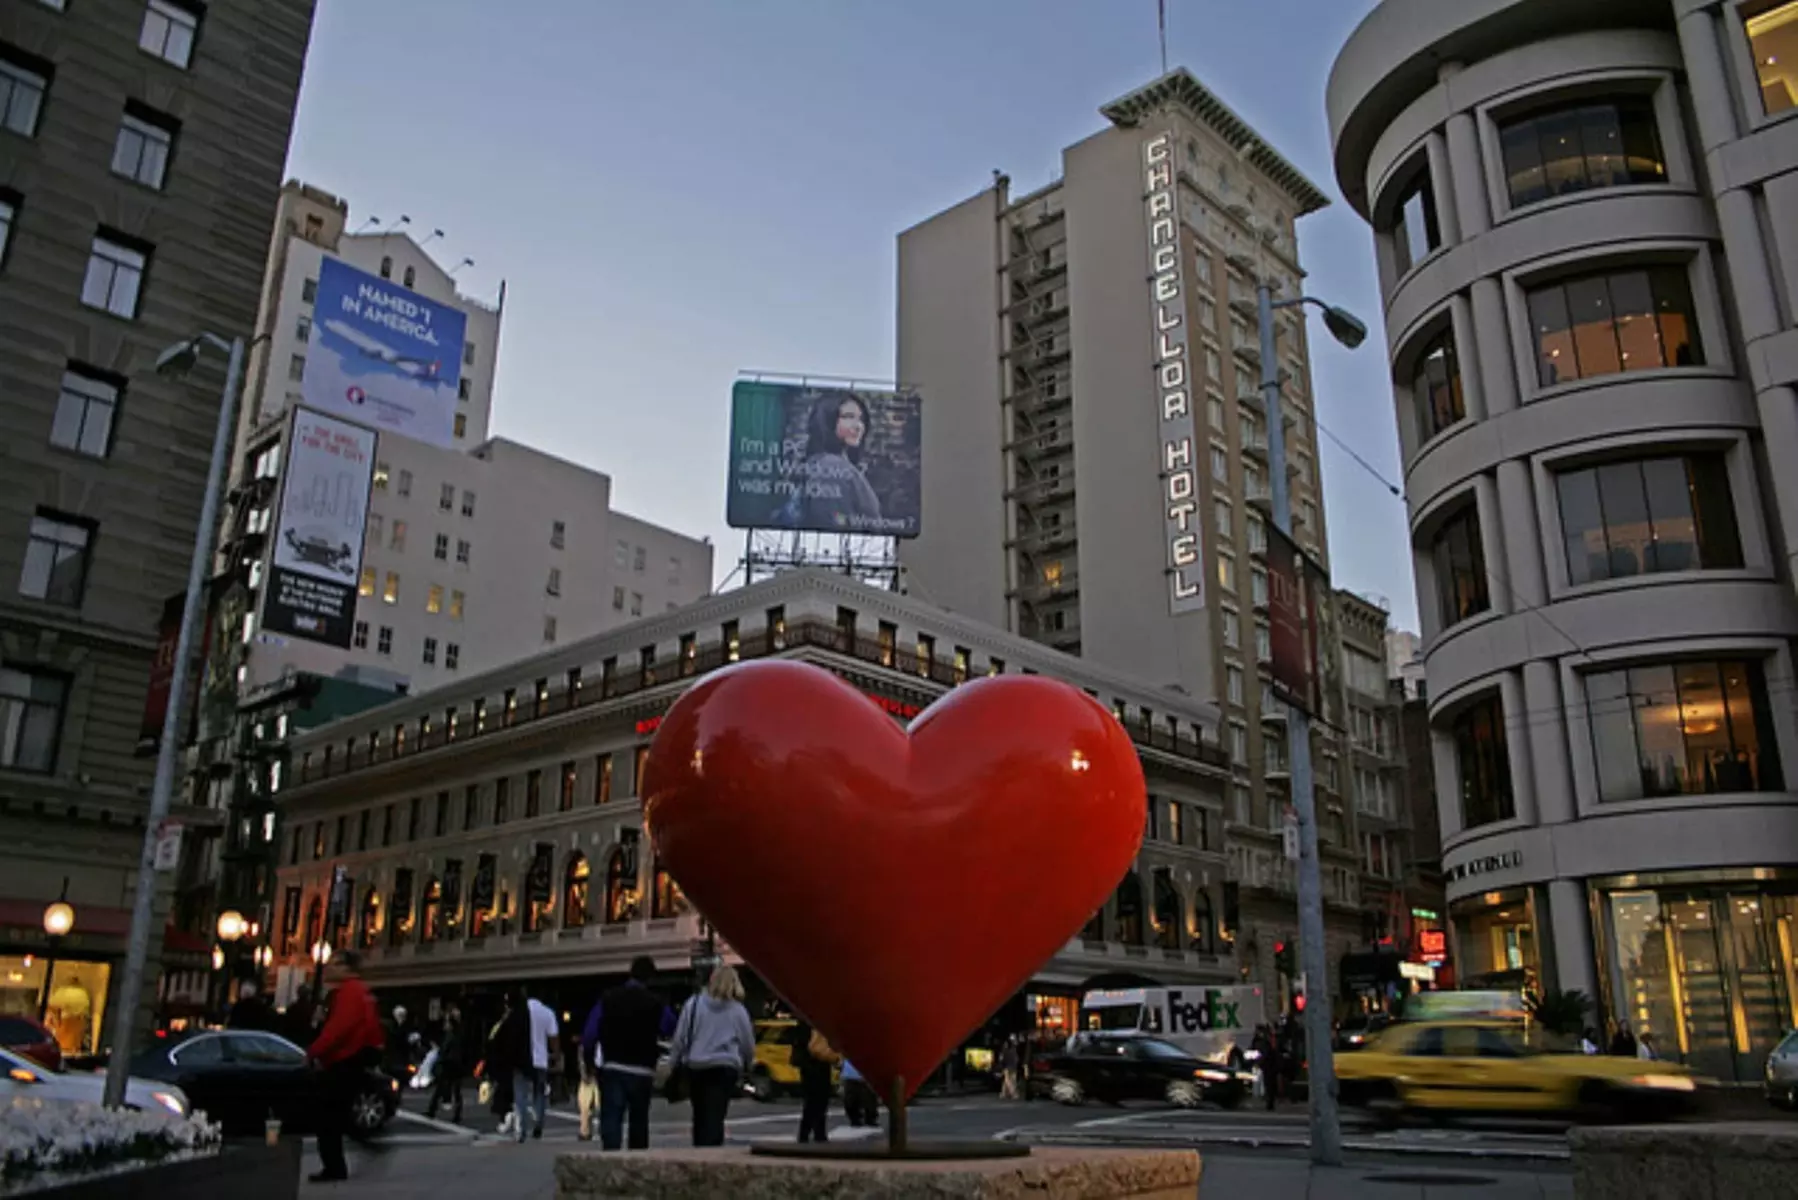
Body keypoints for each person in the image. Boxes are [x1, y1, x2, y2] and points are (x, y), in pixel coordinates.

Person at [306, 950, 383, 1184]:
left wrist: (314, 1051)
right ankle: (344, 1155)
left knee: (327, 1116)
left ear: (346, 967)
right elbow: (372, 1028)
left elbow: (338, 1029)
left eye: (335, 964)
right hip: (354, 1059)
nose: (330, 968)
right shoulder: (362, 992)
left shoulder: (349, 992)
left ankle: (334, 1166)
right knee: (338, 1113)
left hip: (343, 1060)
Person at [585, 956, 676, 1149]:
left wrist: (589, 1061)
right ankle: (636, 1160)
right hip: (642, 1069)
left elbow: (590, 1033)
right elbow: (671, 1028)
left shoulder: (608, 998)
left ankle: (611, 1159)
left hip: (613, 1065)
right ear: (650, 978)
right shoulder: (656, 1003)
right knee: (639, 1120)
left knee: (611, 1117)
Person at [669, 963, 755, 1147]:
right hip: (725, 1067)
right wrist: (748, 1064)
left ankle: (699, 1149)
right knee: (716, 1113)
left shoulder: (693, 1004)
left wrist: (673, 1062)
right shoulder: (738, 1011)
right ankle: (713, 1150)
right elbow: (747, 1042)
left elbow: (681, 1038)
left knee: (699, 1113)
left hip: (697, 1065)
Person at [775, 392, 884, 531]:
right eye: (848, 417)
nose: (858, 426)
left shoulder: (831, 464)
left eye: (861, 419)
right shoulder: (830, 467)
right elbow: (835, 525)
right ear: (828, 420)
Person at [513, 984, 560, 1143]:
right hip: (541, 1059)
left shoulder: (518, 1012)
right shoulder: (548, 1013)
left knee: (521, 1093)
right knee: (540, 1093)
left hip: (521, 1059)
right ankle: (538, 1124)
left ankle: (522, 1129)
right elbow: (553, 1038)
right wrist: (556, 1055)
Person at [792, 1020, 839, 1143]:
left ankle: (807, 1134)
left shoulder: (805, 1024)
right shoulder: (818, 1025)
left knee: (811, 1103)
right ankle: (817, 1134)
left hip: (809, 1066)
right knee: (819, 1102)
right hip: (818, 1065)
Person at [486, 995, 522, 1138]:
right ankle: (516, 1121)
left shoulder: (501, 1025)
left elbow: (491, 1043)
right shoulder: (518, 1023)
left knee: (504, 1093)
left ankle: (506, 1118)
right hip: (512, 1063)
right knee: (515, 1093)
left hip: (503, 1064)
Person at [427, 1003, 467, 1124]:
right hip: (455, 1064)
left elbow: (445, 1050)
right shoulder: (458, 1033)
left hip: (450, 1064)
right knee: (454, 1090)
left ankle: (433, 1110)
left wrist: (439, 1059)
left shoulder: (452, 1035)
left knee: (444, 1088)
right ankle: (454, 1114)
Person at [840, 1058, 879, 1128]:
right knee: (852, 1099)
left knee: (868, 1098)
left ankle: (868, 1118)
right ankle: (857, 1119)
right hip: (851, 1073)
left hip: (863, 1072)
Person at [1251, 1025, 1278, 1110]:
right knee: (1269, 1084)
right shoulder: (1266, 1041)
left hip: (1266, 1065)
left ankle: (1268, 1102)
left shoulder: (1260, 1042)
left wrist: (1257, 1062)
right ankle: (1269, 1102)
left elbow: (1262, 1054)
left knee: (1267, 1084)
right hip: (1269, 1065)